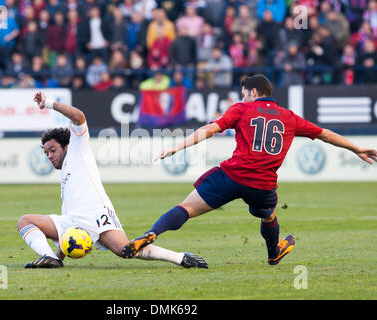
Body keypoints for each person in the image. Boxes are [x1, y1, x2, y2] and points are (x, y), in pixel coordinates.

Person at [120, 74, 377, 265]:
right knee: (268, 215)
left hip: (232, 176)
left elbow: (210, 130)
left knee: (186, 208)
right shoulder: (289, 117)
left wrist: (178, 147)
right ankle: (273, 254)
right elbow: (325, 134)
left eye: (243, 93)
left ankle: (152, 234)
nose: (242, 97)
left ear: (253, 92)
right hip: (263, 186)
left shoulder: (242, 109)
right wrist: (357, 149)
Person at [16, 91, 208, 269]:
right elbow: (68, 236)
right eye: (46, 153)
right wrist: (60, 255)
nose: (49, 156)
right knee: (125, 250)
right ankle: (51, 259)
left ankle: (180, 257)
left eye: (53, 150)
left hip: (95, 215)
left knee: (124, 250)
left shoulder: (77, 148)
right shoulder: (66, 176)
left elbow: (79, 117)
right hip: (76, 220)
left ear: (66, 146)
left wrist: (48, 103)